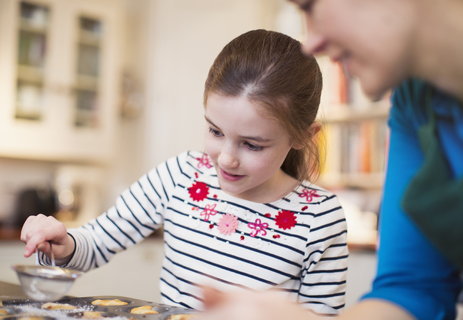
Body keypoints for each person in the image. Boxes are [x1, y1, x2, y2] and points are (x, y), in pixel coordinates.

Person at [20, 29, 348, 315]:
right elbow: (100, 239)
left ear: (303, 136)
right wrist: (64, 244)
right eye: (215, 131)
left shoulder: (320, 218)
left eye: (252, 145)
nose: (226, 159)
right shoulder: (181, 175)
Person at [201, 1, 463, 320]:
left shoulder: (319, 217)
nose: (312, 43)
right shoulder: (414, 105)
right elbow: (412, 291)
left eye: (311, 6)